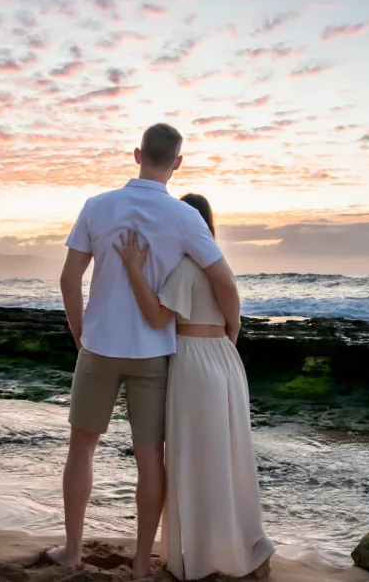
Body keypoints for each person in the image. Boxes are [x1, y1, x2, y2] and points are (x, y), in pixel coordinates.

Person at [54, 123, 242, 579]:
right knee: (149, 457)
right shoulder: (184, 217)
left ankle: (73, 551)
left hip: (99, 346)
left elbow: (68, 278)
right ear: (177, 162)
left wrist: (81, 336)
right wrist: (230, 336)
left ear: (137, 154)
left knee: (82, 449)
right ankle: (141, 562)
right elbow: (224, 279)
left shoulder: (97, 207)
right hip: (153, 353)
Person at [113, 197, 274, 581]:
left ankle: (202, 553)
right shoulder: (217, 263)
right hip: (225, 358)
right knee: (227, 455)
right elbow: (230, 300)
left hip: (195, 361)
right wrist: (232, 332)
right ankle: (242, 542)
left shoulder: (186, 268)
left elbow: (155, 317)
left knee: (195, 459)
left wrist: (134, 269)